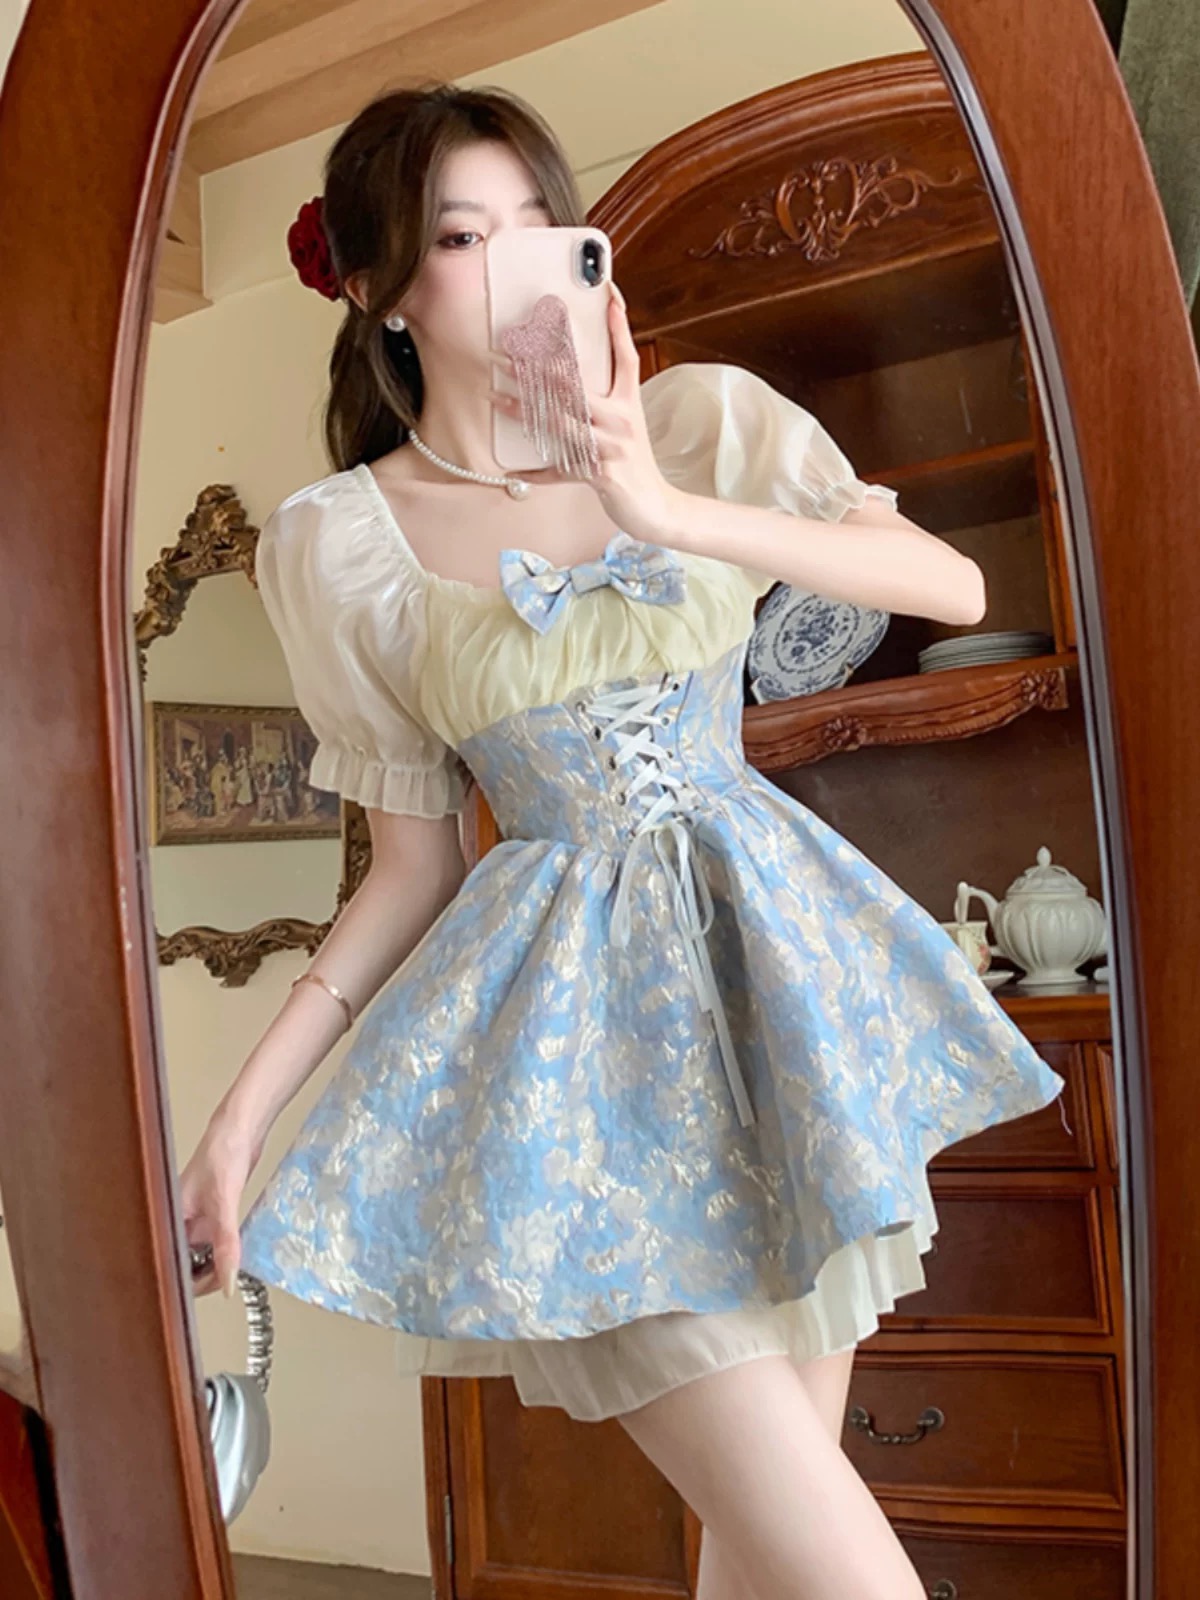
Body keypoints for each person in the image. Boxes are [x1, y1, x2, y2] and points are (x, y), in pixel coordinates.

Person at [178, 83, 1066, 1600]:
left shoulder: (702, 420)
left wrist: (658, 503)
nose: (518, 262)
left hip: (782, 1005)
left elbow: (952, 589)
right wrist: (239, 1121)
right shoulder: (341, 541)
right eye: (463, 236)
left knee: (763, 1561)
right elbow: (411, 867)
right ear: (381, 290)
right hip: (576, 1074)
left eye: (541, 221)